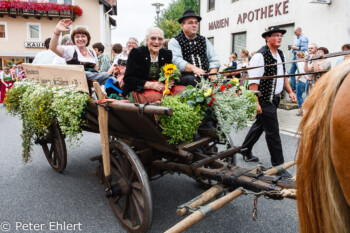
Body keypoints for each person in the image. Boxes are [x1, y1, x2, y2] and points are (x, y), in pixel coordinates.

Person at [239, 26, 296, 177]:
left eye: (281, 36)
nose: (279, 38)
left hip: (275, 98)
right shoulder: (260, 56)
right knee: (273, 133)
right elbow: (253, 83)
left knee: (259, 125)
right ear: (267, 38)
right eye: (276, 35)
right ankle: (278, 166)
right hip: (264, 100)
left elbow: (283, 76)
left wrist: (290, 91)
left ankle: (245, 148)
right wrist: (256, 102)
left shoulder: (281, 54)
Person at [50, 19, 114, 85]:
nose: (80, 39)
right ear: (74, 39)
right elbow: (53, 47)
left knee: (106, 78)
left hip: (90, 85)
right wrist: (57, 31)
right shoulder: (70, 50)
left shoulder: (92, 52)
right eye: (77, 37)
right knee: (90, 74)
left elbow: (96, 71)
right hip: (76, 83)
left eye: (83, 36)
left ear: (87, 39)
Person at [123, 27, 176, 103]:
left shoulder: (166, 54)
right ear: (147, 40)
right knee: (157, 98)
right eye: (153, 38)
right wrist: (150, 85)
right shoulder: (137, 53)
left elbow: (172, 74)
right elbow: (128, 79)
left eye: (160, 39)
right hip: (139, 89)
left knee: (180, 91)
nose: (157, 42)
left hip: (161, 89)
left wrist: (170, 82)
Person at [168, 10, 220, 86]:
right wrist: (194, 69)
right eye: (190, 23)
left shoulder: (204, 40)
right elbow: (176, 61)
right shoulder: (175, 41)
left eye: (196, 23)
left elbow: (214, 57)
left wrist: (213, 72)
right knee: (191, 80)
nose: (194, 25)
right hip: (185, 78)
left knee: (224, 82)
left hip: (205, 76)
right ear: (182, 25)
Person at [288, 27, 308, 92]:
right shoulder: (298, 38)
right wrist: (292, 47)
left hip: (300, 56)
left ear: (299, 31)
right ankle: (293, 88)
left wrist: (295, 47)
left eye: (295, 32)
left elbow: (305, 48)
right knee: (291, 72)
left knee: (301, 72)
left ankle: (301, 87)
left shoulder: (303, 38)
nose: (294, 33)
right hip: (295, 56)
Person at [295, 51, 308, 116]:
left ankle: (302, 110)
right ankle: (303, 110)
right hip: (305, 81)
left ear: (298, 56)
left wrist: (297, 78)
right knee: (304, 96)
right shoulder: (304, 61)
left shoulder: (299, 62)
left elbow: (301, 71)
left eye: (296, 55)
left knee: (299, 96)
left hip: (301, 81)